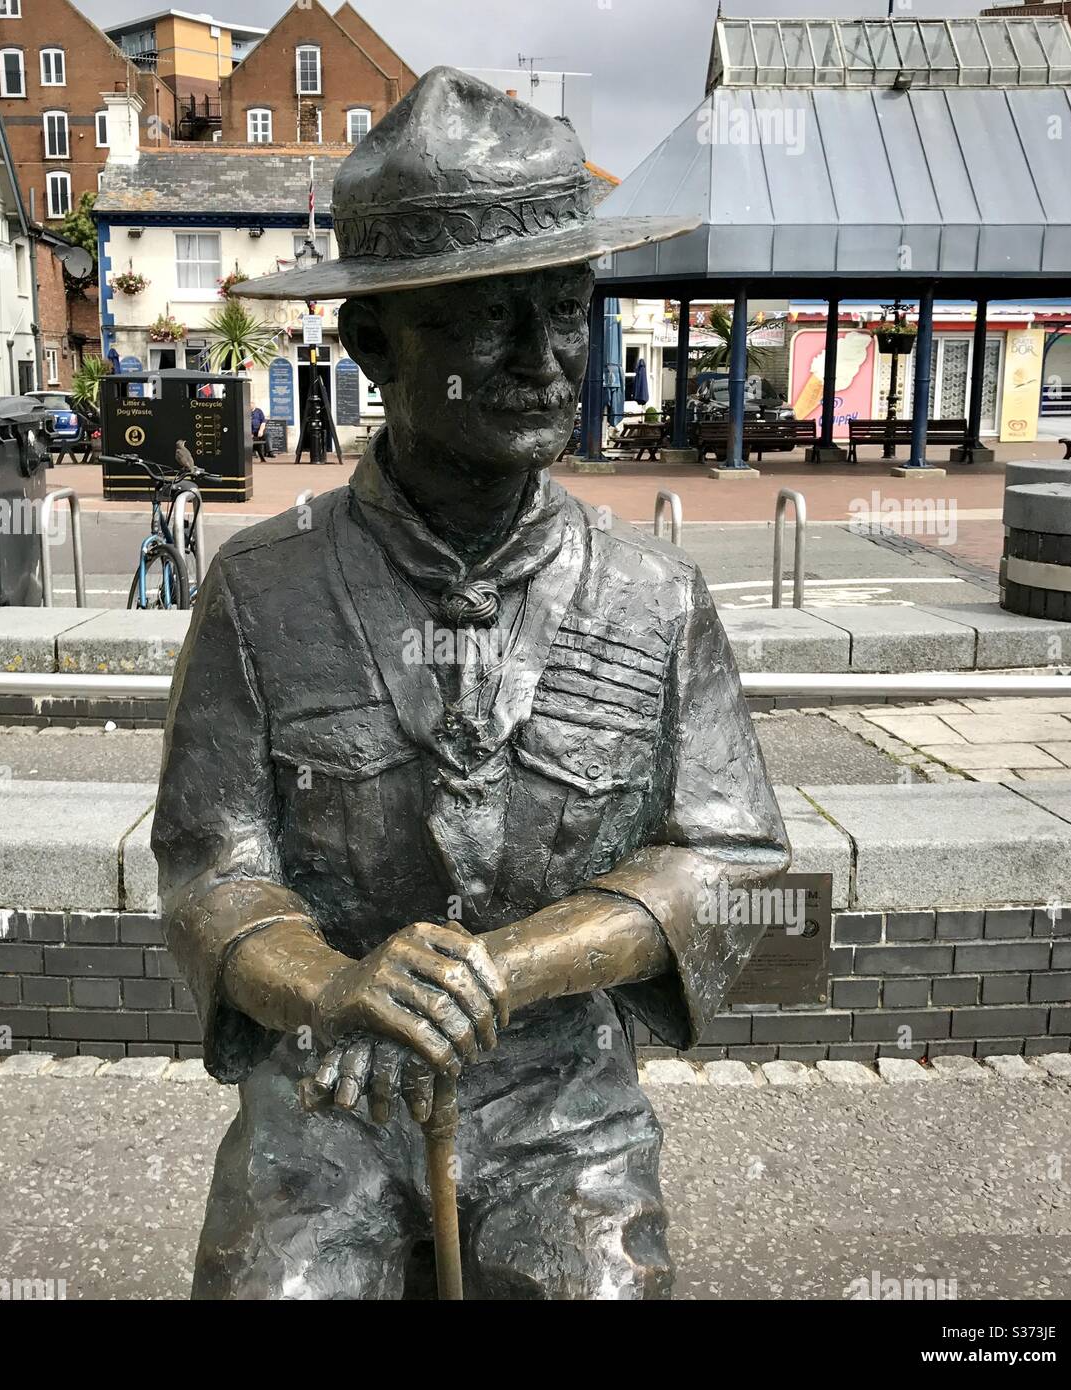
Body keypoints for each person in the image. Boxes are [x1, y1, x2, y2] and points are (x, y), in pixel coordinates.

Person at [152, 67, 789, 1301]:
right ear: (372, 342)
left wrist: (510, 969)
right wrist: (332, 984)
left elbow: (733, 868)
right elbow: (212, 872)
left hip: (560, 1102)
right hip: (328, 1096)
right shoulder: (261, 588)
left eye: (566, 310)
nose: (544, 361)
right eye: (487, 320)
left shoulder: (653, 599)